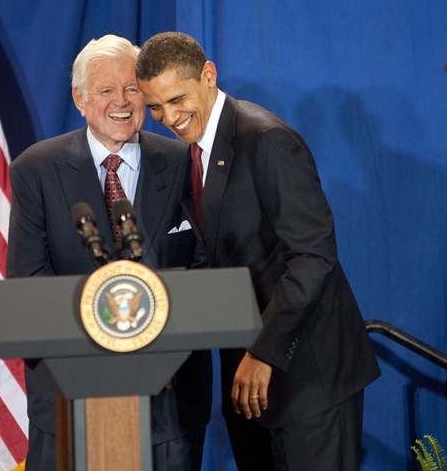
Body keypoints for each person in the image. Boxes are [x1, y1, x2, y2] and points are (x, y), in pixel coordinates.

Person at [136, 31, 381, 471]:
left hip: (306, 374)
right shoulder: (194, 154)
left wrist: (265, 351)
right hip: (250, 377)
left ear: (208, 76)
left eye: (177, 99)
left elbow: (313, 255)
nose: (168, 117)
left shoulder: (264, 138)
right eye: (155, 106)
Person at [6, 34, 212, 471]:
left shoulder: (184, 164)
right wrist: (109, 337)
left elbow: (203, 269)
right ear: (80, 100)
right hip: (69, 401)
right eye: (105, 90)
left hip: (168, 407)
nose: (122, 101)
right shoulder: (36, 170)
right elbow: (29, 280)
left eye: (132, 88)